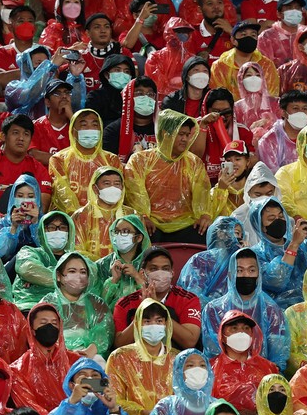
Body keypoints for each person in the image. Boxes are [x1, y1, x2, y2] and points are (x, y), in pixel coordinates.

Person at [124, 109, 212, 243]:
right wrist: (143, 216)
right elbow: (135, 194)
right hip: (152, 223)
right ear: (165, 134)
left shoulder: (194, 162)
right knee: (141, 230)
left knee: (205, 231)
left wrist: (204, 214)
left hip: (185, 223)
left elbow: (202, 194)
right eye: (181, 134)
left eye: (187, 135)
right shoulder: (140, 160)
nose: (185, 139)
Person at [201, 247, 288, 369]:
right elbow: (213, 354)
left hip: (261, 375)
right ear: (230, 275)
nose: (246, 275)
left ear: (258, 274)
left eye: (251, 270)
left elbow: (278, 358)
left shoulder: (272, 310)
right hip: (224, 376)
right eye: (240, 270)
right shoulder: (213, 310)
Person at [0, 114, 53, 223]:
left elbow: (43, 203)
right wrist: (0, 218)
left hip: (28, 222)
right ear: (3, 136)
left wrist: (30, 221)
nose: (21, 138)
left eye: (26, 134)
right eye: (15, 133)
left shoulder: (39, 169)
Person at [105, 299, 175, 415]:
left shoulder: (177, 358)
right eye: (147, 321)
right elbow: (113, 397)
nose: (153, 326)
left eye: (159, 321)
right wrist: (142, 413)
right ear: (137, 325)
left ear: (166, 324)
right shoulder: (119, 357)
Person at [40, 252, 114, 358]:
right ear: (58, 276)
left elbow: (105, 332)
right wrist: (65, 355)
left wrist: (88, 353)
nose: (78, 276)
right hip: (55, 357)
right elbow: (41, 336)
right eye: (72, 271)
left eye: (83, 272)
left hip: (90, 357)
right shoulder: (48, 303)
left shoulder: (97, 304)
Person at [209, 309, 279, 415]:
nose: (241, 333)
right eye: (234, 328)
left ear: (252, 334)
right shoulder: (211, 368)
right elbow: (205, 406)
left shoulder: (268, 367)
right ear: (222, 334)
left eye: (246, 328)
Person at [256, 90, 307, 173]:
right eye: (295, 108)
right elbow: (270, 175)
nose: (301, 113)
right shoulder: (269, 141)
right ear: (283, 112)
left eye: (304, 109)